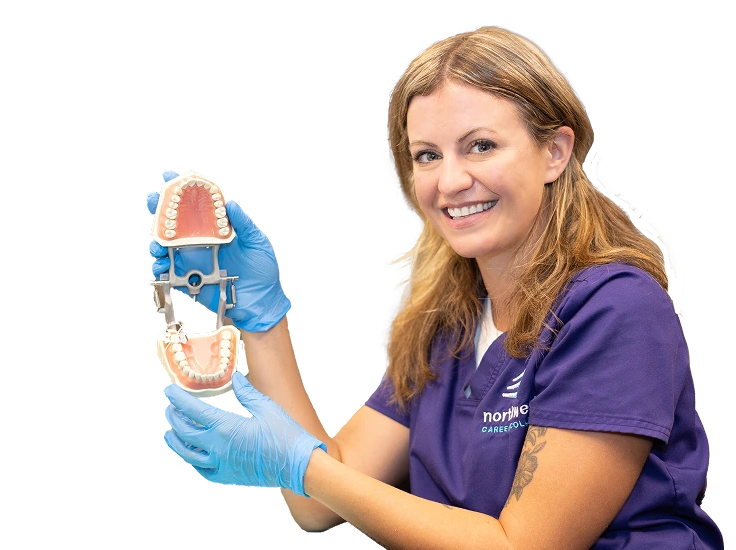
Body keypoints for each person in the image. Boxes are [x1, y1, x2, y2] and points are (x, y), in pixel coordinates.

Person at [147, 25, 723, 549]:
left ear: (555, 151)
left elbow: (523, 546)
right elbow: (319, 502)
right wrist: (264, 319)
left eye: (481, 145)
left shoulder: (616, 310)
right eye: (427, 155)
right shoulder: (446, 323)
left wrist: (304, 468)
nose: (450, 181)